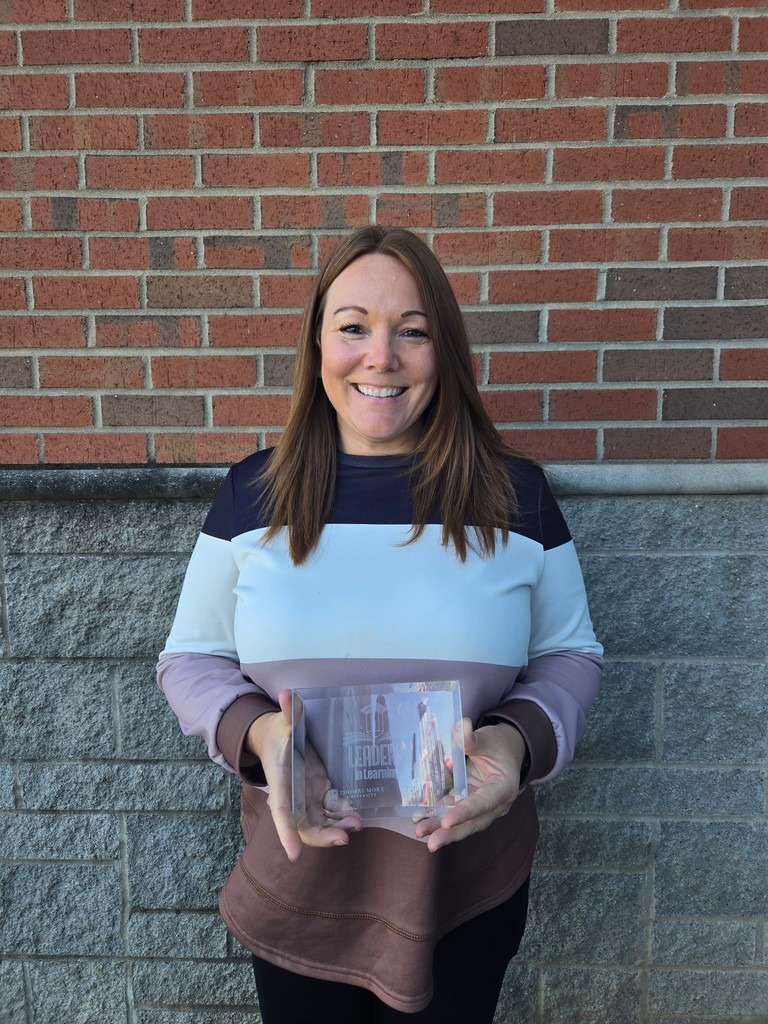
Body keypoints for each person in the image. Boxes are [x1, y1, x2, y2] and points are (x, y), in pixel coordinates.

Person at [157, 225, 603, 1023]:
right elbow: (192, 658)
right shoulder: (251, 495)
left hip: (464, 886)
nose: (381, 356)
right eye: (354, 326)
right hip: (302, 880)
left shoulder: (516, 496)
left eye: (413, 331)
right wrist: (263, 742)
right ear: (318, 345)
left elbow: (569, 654)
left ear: (445, 351)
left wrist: (512, 744)